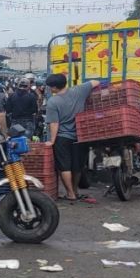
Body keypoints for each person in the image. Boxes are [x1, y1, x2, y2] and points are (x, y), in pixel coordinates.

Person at [42, 73, 104, 201]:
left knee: (64, 166)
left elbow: (54, 123)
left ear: (54, 88)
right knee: (77, 166)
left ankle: (70, 193)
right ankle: (75, 190)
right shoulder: (79, 90)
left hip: (62, 138)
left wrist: (52, 141)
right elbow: (96, 82)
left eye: (50, 87)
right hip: (80, 136)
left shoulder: (53, 101)